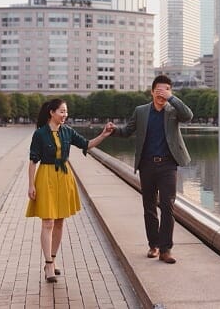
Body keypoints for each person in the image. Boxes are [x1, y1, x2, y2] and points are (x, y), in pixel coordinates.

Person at [106, 75, 193, 263]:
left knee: (168, 206)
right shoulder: (141, 111)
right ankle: (153, 245)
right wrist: (114, 130)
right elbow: (127, 131)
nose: (162, 93)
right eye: (159, 90)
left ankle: (166, 249)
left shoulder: (173, 110)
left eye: (166, 90)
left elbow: (188, 115)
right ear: (152, 91)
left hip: (168, 164)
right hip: (147, 165)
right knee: (149, 207)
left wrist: (171, 98)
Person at [26, 98, 114, 283]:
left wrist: (104, 134)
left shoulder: (68, 131)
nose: (65, 115)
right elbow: (33, 160)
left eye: (66, 112)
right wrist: (31, 184)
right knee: (47, 222)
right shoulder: (40, 134)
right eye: (62, 111)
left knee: (59, 222)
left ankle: (53, 259)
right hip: (46, 176)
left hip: (64, 177)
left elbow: (86, 144)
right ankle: (48, 264)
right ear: (52, 112)